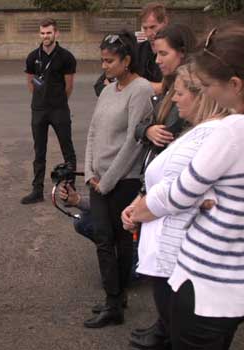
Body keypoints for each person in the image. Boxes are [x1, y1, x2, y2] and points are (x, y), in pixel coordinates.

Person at [127, 27, 244, 349]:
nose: (208, 94)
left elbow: (178, 193)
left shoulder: (232, 131)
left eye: (208, 86)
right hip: (240, 283)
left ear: (234, 84)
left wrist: (139, 208)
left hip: (202, 286)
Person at [126, 63, 228, 350]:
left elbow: (182, 193)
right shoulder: (200, 132)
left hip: (181, 260)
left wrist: (140, 210)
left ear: (201, 96)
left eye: (180, 93)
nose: (174, 99)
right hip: (172, 258)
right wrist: (140, 202)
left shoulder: (211, 135)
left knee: (185, 335)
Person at [83, 31, 154, 328]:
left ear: (127, 60)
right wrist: (88, 172)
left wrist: (108, 180)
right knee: (102, 238)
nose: (105, 66)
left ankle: (116, 301)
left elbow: (134, 143)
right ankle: (115, 298)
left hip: (123, 180)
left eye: (110, 61)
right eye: (102, 60)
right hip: (99, 179)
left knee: (121, 241)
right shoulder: (108, 90)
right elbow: (93, 131)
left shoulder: (140, 90)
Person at [22, 18, 77, 204]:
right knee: (39, 151)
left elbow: (69, 86)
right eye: (43, 33)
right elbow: (30, 82)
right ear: (40, 34)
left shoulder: (66, 57)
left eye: (49, 33)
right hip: (39, 110)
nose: (46, 36)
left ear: (56, 33)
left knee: (67, 149)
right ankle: (37, 190)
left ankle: (70, 190)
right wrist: (40, 99)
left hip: (59, 109)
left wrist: (58, 102)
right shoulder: (32, 56)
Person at [134, 23, 198, 168]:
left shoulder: (197, 91)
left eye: (163, 54)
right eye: (156, 54)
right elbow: (142, 124)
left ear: (182, 52)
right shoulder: (167, 86)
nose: (157, 60)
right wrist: (148, 131)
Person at [93, 2, 168, 96]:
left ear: (165, 22)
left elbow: (171, 88)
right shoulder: (137, 50)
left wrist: (129, 86)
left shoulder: (175, 51)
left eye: (153, 27)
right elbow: (100, 85)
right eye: (145, 28)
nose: (149, 33)